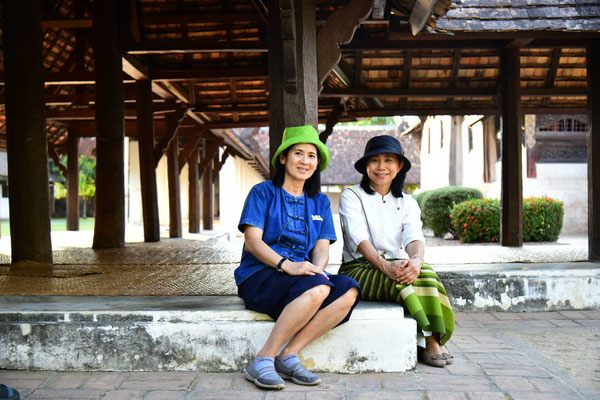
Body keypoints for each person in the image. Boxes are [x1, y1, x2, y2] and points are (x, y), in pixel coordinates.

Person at [235, 125, 361, 389]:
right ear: (283, 158)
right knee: (318, 289)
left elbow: (322, 248)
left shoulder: (321, 202)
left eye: (311, 156)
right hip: (260, 275)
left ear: (317, 163)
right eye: (298, 153)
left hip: (301, 278)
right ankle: (263, 358)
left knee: (349, 289)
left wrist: (316, 270)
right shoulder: (262, 192)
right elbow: (252, 241)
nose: (305, 161)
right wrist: (286, 265)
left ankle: (288, 355)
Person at [338, 135, 455, 368]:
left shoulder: (408, 202)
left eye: (388, 160)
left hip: (395, 264)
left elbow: (414, 238)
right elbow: (358, 238)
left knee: (425, 272)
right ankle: (431, 340)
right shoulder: (351, 196)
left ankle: (432, 338)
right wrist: (385, 267)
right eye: (375, 160)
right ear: (366, 166)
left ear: (399, 166)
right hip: (359, 268)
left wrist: (417, 261)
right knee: (404, 282)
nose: (381, 167)